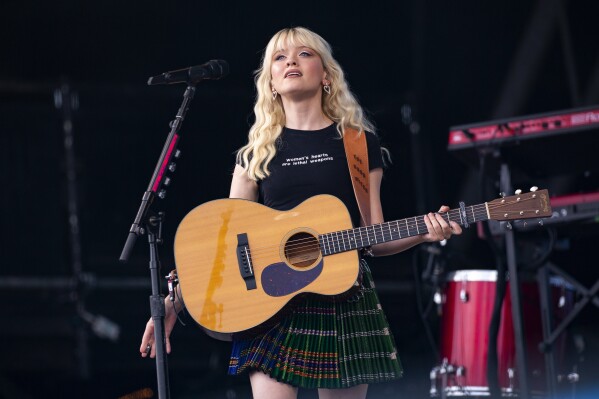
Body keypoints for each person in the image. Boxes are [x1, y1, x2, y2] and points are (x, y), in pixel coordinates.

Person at [140, 26, 462, 399]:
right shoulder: (256, 154)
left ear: (326, 76)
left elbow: (372, 235)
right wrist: (172, 302)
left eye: (304, 54)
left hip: (342, 296)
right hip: (267, 303)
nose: (291, 60)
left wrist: (424, 232)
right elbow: (222, 246)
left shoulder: (358, 144)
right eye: (279, 57)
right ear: (271, 83)